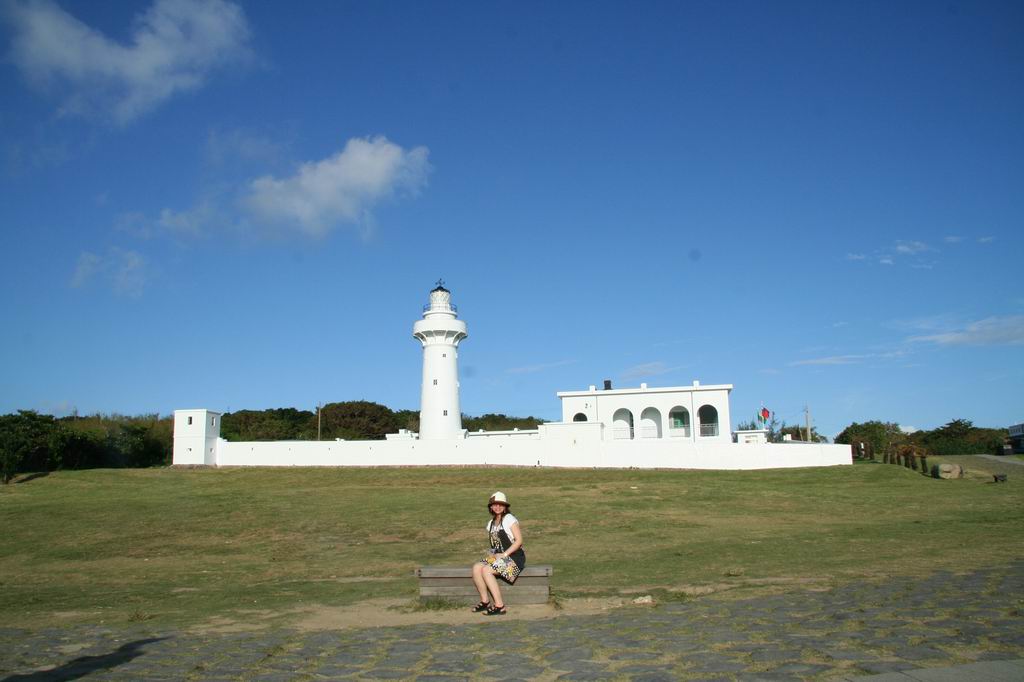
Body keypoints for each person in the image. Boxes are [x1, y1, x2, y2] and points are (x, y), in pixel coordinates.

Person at [470, 491, 525, 616]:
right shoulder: (490, 524)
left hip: (515, 559)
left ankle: (500, 606)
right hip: (499, 557)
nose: (497, 507)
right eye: (494, 504)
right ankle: (485, 602)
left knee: (487, 570)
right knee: (477, 567)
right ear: (490, 507)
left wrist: (504, 555)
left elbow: (519, 541)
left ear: (505, 506)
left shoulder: (509, 519)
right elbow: (494, 545)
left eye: (500, 504)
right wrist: (490, 556)